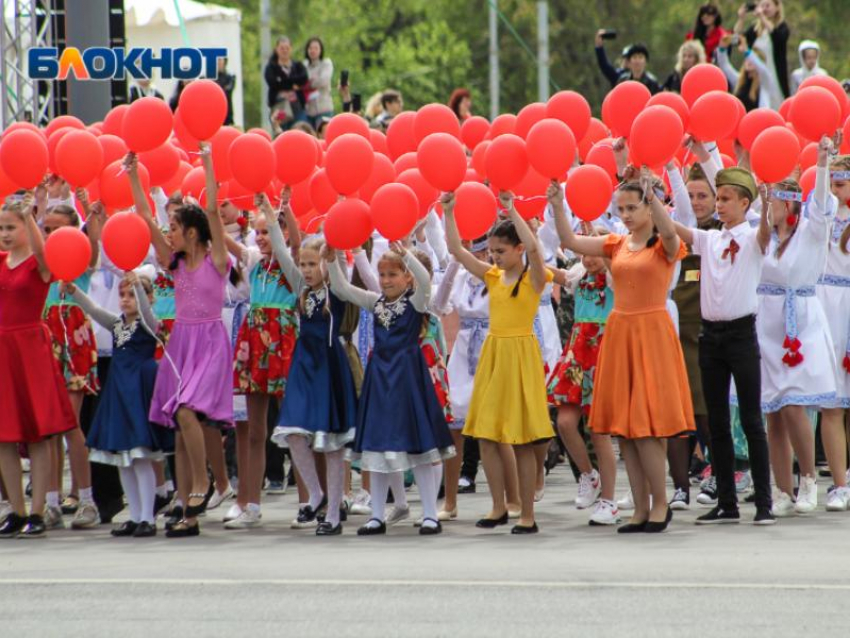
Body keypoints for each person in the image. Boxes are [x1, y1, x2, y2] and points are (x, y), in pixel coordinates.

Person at [554, 172, 695, 534]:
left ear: (649, 207)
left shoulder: (663, 245)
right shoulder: (616, 243)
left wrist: (654, 196)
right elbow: (570, 239)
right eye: (622, 208)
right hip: (619, 332)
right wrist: (557, 202)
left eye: (633, 207)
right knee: (626, 430)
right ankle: (640, 508)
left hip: (650, 331)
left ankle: (661, 504)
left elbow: (668, 234)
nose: (627, 214)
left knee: (647, 426)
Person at [133, 145, 237, 538]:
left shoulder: (218, 261)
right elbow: (145, 216)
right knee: (178, 424)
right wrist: (132, 173)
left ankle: (201, 483)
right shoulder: (173, 263)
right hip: (181, 343)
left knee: (187, 412)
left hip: (209, 341)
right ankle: (185, 510)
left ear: (191, 232)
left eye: (174, 228)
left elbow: (211, 210)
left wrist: (208, 162)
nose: (168, 232)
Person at [444, 191, 554, 535]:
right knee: (488, 436)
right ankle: (497, 505)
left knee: (521, 439)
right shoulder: (492, 276)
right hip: (493, 354)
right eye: (492, 251)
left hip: (520, 354)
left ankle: (526, 512)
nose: (494, 257)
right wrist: (449, 213)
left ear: (518, 248)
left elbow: (535, 249)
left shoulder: (534, 277)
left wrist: (513, 210)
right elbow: (458, 252)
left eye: (501, 251)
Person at [327, 243, 454, 536]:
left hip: (408, 377)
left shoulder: (417, 303)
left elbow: (425, 279)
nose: (385, 280)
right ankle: (376, 515)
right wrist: (333, 260)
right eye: (382, 274)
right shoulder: (376, 302)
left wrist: (407, 253)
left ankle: (430, 515)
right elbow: (343, 289)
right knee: (378, 443)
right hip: (380, 378)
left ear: (406, 277)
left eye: (393, 274)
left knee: (418, 441)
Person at [671, 167, 774, 525]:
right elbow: (676, 228)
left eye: (726, 199)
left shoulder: (752, 237)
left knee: (750, 420)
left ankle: (764, 502)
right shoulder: (710, 239)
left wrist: (769, 198)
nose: (720, 204)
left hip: (742, 335)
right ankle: (727, 504)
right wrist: (653, 196)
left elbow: (764, 230)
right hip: (710, 337)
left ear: (745, 203)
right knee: (716, 423)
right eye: (719, 198)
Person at [748, 137, 837, 517]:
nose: (769, 208)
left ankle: (809, 479)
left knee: (795, 404)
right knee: (773, 407)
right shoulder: (765, 239)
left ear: (791, 206)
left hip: (798, 322)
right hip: (765, 321)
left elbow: (821, 206)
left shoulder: (810, 234)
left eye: (776, 202)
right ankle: (781, 489)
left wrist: (821, 165)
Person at [265, 205, 358, 536]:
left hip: (330, 365)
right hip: (304, 366)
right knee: (292, 431)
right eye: (302, 264)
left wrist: (334, 255)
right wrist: (271, 213)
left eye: (310, 264)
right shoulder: (301, 289)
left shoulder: (335, 290)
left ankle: (333, 512)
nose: (304, 270)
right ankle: (315, 493)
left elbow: (342, 274)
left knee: (332, 444)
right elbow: (280, 249)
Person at [63, 272, 172, 538]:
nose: (125, 300)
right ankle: (134, 516)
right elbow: (95, 310)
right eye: (122, 295)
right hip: (119, 392)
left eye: (132, 295)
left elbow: (148, 316)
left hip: (138, 392)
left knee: (140, 456)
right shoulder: (117, 324)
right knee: (123, 460)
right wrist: (76, 292)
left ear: (147, 298)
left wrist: (138, 285)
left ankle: (148, 516)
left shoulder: (148, 325)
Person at [0, 192, 78, 538]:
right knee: (4, 435)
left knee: (39, 433)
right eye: (1, 227)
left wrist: (31, 214)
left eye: (10, 227)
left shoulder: (37, 263)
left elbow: (46, 257)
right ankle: (15, 510)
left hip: (30, 347)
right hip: (3, 349)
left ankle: (38, 511)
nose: (4, 233)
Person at [222, 194, 299, 530]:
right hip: (254, 339)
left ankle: (310, 501)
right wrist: (211, 207)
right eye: (259, 233)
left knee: (295, 426)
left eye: (268, 232)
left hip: (283, 339)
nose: (262, 238)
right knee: (255, 430)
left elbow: (293, 242)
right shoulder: (253, 261)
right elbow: (220, 235)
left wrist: (281, 209)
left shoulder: (292, 263)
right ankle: (249, 504)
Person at [546, 224, 620, 525]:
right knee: (564, 422)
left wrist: (605, 246)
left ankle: (610, 500)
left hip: (603, 354)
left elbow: (615, 263)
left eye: (595, 252)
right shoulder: (579, 277)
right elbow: (549, 270)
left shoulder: (616, 279)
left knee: (599, 431)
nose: (589, 259)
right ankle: (589, 476)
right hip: (577, 356)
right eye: (584, 252)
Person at [40, 193, 103, 530]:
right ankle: (50, 500)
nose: (51, 236)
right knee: (47, 426)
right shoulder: (42, 261)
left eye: (57, 229)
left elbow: (93, 249)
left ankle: (87, 498)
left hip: (73, 333)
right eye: (46, 229)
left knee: (69, 423)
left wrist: (90, 214)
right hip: (44, 334)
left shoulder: (78, 259)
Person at [816, 155, 850, 510]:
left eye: (842, 184)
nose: (835, 192)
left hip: (848, 305)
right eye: (833, 184)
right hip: (826, 308)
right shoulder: (822, 217)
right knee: (832, 403)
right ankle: (839, 483)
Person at [735, 0, 790, 99]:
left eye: (767, 6)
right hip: (756, 76)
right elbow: (738, 40)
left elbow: (778, 37)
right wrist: (741, 19)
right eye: (762, 6)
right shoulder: (755, 29)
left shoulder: (782, 27)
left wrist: (762, 17)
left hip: (774, 73)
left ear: (777, 7)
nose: (764, 9)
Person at [717, 35, 782, 111]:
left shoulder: (765, 82)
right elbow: (725, 66)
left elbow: (762, 68)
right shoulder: (739, 81)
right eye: (747, 59)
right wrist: (722, 48)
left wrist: (746, 51)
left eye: (752, 59)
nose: (749, 61)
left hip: (758, 120)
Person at [264, 36, 309, 133]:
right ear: (276, 49)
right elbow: (272, 83)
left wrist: (282, 81)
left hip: (298, 107)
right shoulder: (271, 67)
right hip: (280, 107)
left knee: (300, 133)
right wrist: (292, 84)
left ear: (291, 49)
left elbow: (304, 78)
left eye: (287, 48)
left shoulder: (298, 65)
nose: (284, 51)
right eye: (282, 48)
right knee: (281, 133)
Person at [594, 33, 660, 94]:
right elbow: (605, 66)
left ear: (645, 61)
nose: (637, 61)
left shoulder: (652, 82)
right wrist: (599, 48)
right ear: (629, 61)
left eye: (640, 57)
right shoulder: (622, 79)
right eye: (634, 57)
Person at [303, 37, 334, 129]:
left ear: (321, 50)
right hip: (308, 109)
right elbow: (300, 82)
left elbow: (323, 81)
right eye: (310, 48)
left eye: (316, 48)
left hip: (324, 107)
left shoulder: (326, 63)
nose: (313, 51)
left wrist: (309, 83)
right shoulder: (304, 65)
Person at [215, 57, 236, 126]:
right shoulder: (213, 78)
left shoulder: (230, 77)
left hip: (227, 112)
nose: (219, 62)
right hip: (216, 111)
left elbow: (229, 89)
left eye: (220, 60)